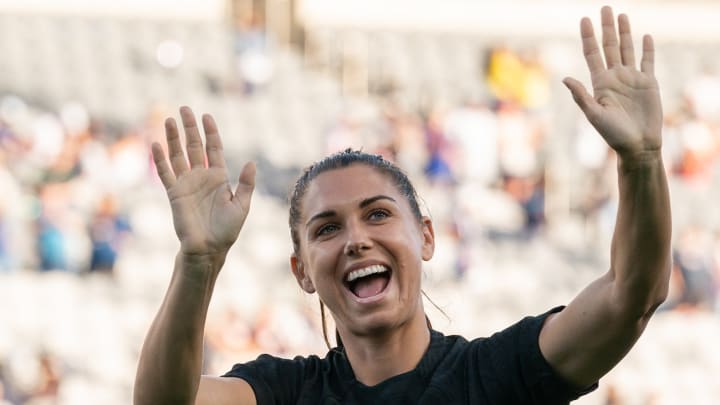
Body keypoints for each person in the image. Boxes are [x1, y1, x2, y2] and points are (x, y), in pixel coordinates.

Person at [134, 6, 671, 404]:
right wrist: (198, 263)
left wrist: (642, 161)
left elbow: (632, 295)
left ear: (427, 237)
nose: (356, 238)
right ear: (301, 271)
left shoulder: (494, 375)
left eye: (378, 213)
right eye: (326, 229)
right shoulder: (283, 391)